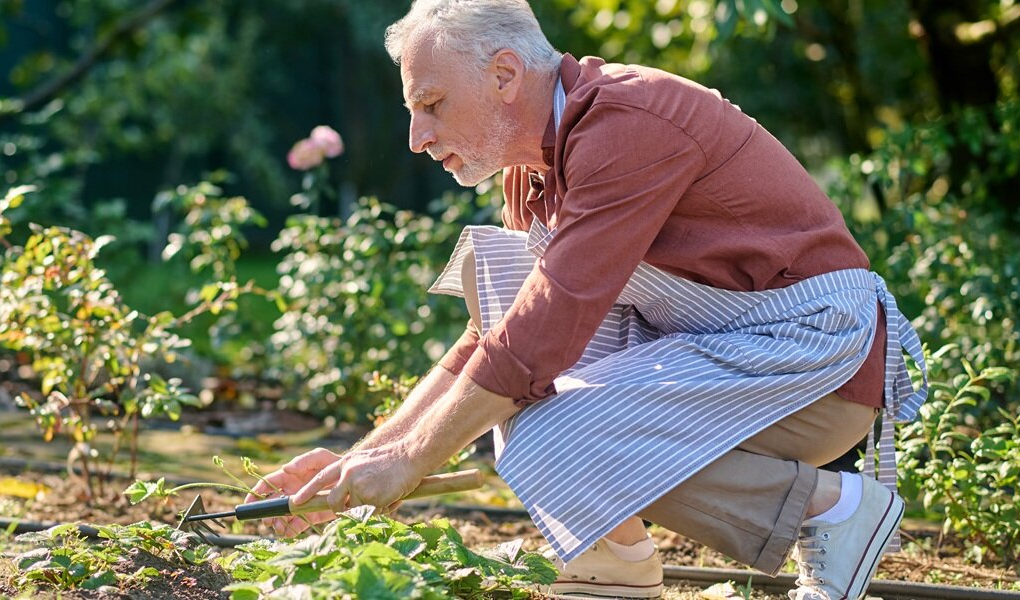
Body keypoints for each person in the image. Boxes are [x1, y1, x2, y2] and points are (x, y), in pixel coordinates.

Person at [244, 1, 928, 598]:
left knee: (543, 427)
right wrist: (362, 458)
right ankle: (615, 560)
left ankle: (831, 510)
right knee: (513, 396)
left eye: (431, 105)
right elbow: (499, 339)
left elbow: (540, 337)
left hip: (816, 365)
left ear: (504, 76)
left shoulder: (626, 126)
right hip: (731, 356)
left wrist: (413, 461)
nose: (418, 138)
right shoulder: (534, 171)